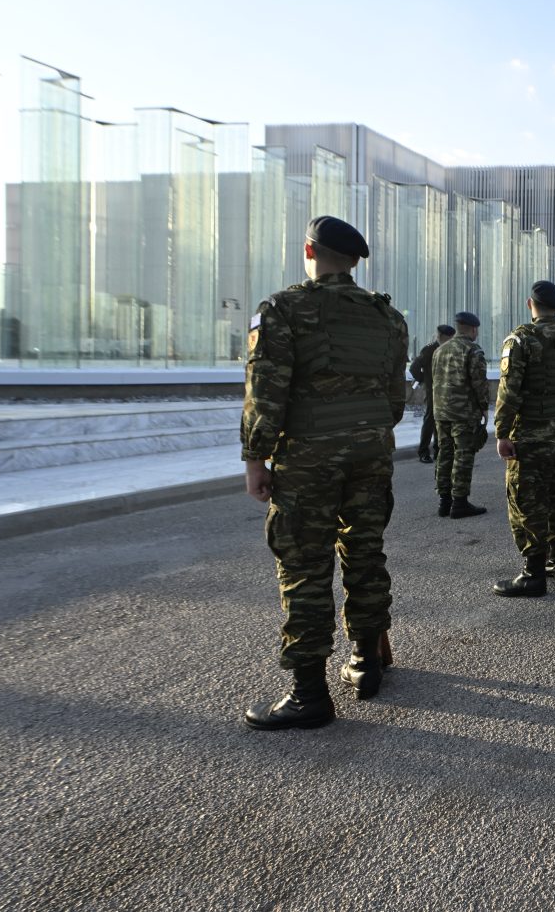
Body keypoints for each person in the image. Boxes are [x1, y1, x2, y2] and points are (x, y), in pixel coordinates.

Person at [240, 215, 408, 730]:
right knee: (364, 550)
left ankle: (308, 693)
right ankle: (367, 659)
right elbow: (396, 399)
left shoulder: (285, 309)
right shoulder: (387, 317)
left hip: (309, 457)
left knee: (305, 568)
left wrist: (256, 458)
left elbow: (267, 392)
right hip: (371, 453)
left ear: (309, 251)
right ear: (353, 260)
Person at [492, 281, 555, 596]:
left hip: (530, 433)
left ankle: (533, 574)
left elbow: (509, 392)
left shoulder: (521, 340)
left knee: (526, 501)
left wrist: (502, 432)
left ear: (529, 303)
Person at [431, 310, 491, 519]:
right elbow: (479, 383)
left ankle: (444, 501)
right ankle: (460, 502)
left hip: (441, 412)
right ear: (473, 329)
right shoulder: (472, 350)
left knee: (444, 454)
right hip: (463, 413)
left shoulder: (440, 350)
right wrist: (484, 407)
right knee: (463, 456)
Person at [409, 324, 454, 463]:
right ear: (441, 336)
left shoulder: (448, 349)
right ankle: (423, 452)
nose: (451, 340)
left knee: (441, 421)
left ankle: (438, 450)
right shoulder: (429, 349)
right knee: (430, 420)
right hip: (433, 390)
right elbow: (414, 367)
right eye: (449, 338)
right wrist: (424, 380)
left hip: (445, 390)